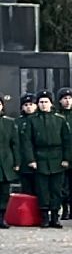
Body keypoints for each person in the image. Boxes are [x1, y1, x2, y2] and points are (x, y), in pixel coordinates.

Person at [20, 92, 72, 228]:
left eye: (46, 102)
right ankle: (44, 216)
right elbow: (27, 142)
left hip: (57, 158)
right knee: (42, 189)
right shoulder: (32, 120)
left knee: (56, 189)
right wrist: (31, 159)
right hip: (40, 158)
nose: (43, 105)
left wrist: (66, 158)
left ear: (51, 103)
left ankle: (55, 216)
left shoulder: (60, 120)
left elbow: (67, 141)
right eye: (41, 102)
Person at [54, 88, 72, 220]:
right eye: (64, 98)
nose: (67, 101)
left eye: (69, 98)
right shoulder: (56, 116)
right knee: (63, 185)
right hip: (61, 155)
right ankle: (64, 210)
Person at [0, 96, 16, 227]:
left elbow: (15, 144)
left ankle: (1, 217)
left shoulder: (9, 123)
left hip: (5, 161)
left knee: (4, 192)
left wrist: (17, 162)